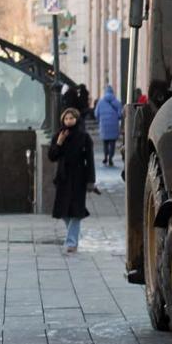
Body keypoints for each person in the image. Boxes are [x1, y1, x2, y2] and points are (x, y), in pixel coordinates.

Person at [49, 108, 95, 253]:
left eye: (71, 118)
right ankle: (73, 236)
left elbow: (90, 160)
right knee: (63, 212)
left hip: (78, 178)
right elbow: (52, 156)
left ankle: (71, 242)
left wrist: (90, 180)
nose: (69, 121)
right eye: (66, 118)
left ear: (76, 119)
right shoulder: (59, 135)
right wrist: (59, 143)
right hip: (63, 178)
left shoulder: (84, 137)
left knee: (76, 211)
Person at [94, 85, 122, 166]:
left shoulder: (100, 102)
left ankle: (105, 156)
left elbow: (96, 114)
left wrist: (100, 120)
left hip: (104, 125)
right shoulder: (117, 102)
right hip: (113, 126)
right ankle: (111, 158)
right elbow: (120, 114)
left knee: (105, 142)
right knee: (112, 143)